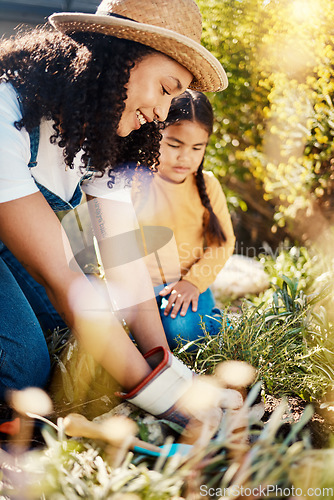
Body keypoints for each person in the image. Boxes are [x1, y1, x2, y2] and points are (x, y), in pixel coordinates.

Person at [0, 0, 242, 425]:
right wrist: (168, 401)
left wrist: (166, 368)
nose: (163, 114)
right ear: (117, 57)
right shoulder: (7, 112)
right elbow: (62, 275)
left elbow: (125, 261)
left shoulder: (101, 132)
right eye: (166, 89)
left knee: (86, 324)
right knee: (23, 369)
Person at [131, 90, 236, 350]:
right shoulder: (135, 181)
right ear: (155, 135)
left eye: (197, 148)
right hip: (140, 288)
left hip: (188, 285)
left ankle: (219, 324)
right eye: (174, 145)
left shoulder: (208, 186)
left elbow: (222, 244)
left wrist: (192, 283)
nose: (185, 157)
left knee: (180, 331)